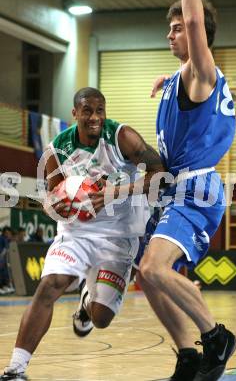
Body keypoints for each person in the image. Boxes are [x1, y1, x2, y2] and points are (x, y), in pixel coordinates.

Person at [0, 87, 164, 381]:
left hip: (118, 235)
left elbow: (161, 175)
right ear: (74, 113)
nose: (94, 117)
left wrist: (118, 191)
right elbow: (51, 196)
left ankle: (87, 303)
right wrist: (57, 206)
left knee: (101, 318)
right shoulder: (56, 150)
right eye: (87, 110)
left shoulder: (122, 137)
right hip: (76, 232)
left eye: (100, 110)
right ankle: (16, 368)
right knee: (50, 285)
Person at [135, 0, 236, 381]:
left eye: (177, 29)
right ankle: (188, 355)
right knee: (147, 275)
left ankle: (216, 337)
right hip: (174, 188)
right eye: (169, 29)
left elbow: (195, 24)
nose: (170, 35)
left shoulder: (201, 73)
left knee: (153, 267)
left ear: (196, 36)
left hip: (196, 189)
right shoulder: (182, 77)